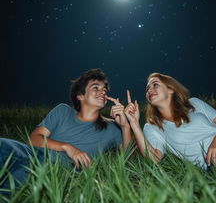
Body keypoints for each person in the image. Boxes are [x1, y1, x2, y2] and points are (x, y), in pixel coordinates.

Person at [0, 68, 132, 193]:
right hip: (33, 154)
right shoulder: (63, 111)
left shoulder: (111, 127)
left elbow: (129, 159)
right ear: (80, 95)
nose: (103, 92)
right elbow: (33, 139)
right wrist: (67, 147)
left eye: (104, 90)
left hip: (61, 169)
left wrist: (125, 126)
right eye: (95, 88)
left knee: (11, 188)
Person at [124, 72, 216, 169]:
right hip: (212, 161)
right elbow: (154, 159)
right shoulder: (152, 126)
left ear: (170, 89)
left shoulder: (194, 103)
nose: (149, 90)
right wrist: (134, 123)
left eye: (155, 85)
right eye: (147, 89)